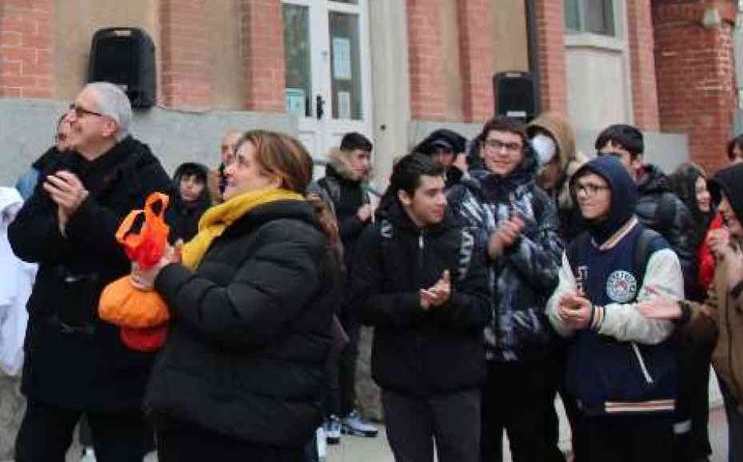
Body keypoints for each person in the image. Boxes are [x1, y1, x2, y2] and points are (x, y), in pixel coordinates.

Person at [139, 130, 342, 460]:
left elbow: (236, 316)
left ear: (274, 179)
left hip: (244, 432)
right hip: (209, 420)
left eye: (241, 163)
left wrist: (166, 275)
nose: (226, 170)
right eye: (230, 160)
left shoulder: (292, 238)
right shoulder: (235, 228)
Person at [8, 82, 172, 462]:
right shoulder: (59, 163)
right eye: (71, 108)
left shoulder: (144, 173)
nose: (70, 118)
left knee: (119, 451)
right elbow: (21, 238)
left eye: (80, 112)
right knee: (35, 450)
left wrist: (84, 213)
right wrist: (61, 227)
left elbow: (150, 249)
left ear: (108, 126)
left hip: (115, 347)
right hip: (54, 341)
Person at [351, 153, 492, 462]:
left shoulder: (465, 240)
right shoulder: (378, 240)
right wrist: (417, 302)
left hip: (457, 385)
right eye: (431, 193)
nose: (442, 200)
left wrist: (449, 302)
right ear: (404, 196)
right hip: (401, 384)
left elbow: (483, 309)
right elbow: (362, 305)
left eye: (443, 190)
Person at [546, 156, 684, 462]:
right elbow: (557, 306)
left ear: (618, 192)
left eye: (595, 187)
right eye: (580, 187)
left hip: (644, 403)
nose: (584, 194)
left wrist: (597, 315)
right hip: (591, 402)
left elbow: (657, 322)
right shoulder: (578, 248)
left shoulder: (653, 249)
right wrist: (564, 311)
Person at [448, 117, 565, 462]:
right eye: (495, 144)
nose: (502, 152)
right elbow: (447, 265)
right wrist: (489, 246)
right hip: (473, 348)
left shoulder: (539, 201)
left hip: (528, 349)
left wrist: (515, 246)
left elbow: (553, 271)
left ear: (523, 152)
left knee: (535, 445)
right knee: (480, 448)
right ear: (481, 147)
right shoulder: (457, 198)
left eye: (511, 146)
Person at [640, 160, 743, 462]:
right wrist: (682, 312)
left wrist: (741, 287)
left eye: (728, 200)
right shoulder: (733, 253)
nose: (720, 209)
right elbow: (713, 317)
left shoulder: (738, 262)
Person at [314, 131, 380, 441]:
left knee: (350, 350)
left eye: (368, 157)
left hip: (356, 283)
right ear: (344, 156)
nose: (365, 164)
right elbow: (327, 232)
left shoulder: (364, 190)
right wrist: (359, 217)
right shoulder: (326, 188)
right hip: (331, 280)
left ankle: (347, 410)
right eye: (360, 157)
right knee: (331, 348)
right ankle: (329, 415)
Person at [595, 124, 695, 284]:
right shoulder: (592, 203)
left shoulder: (666, 206)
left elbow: (684, 270)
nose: (606, 164)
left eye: (615, 157)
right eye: (601, 156)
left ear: (637, 161)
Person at [668, 162, 717, 462]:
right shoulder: (682, 227)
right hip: (687, 323)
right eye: (698, 190)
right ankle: (691, 446)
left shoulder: (713, 223)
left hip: (708, 316)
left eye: (706, 190)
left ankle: (699, 443)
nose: (704, 196)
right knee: (689, 389)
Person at [528, 112, 584, 241]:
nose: (539, 141)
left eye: (547, 136)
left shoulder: (579, 181)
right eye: (536, 135)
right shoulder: (525, 180)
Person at [19, 113, 71, 200]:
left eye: (73, 138)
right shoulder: (31, 180)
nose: (67, 145)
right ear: (56, 139)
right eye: (62, 138)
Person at [166, 162, 212, 245]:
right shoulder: (164, 208)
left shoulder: (209, 217)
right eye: (185, 179)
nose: (189, 185)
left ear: (206, 189)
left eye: (197, 182)